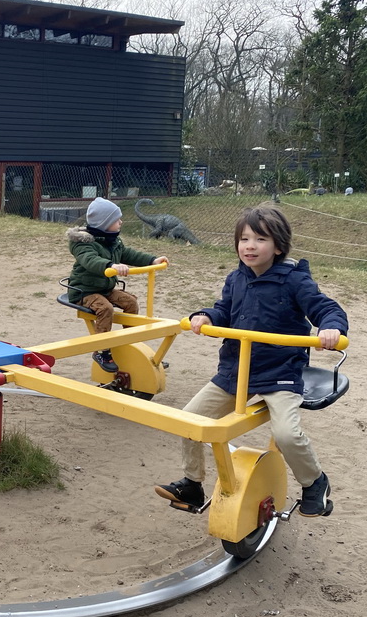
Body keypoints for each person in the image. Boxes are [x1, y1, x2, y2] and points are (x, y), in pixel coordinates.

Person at [155, 203, 348, 518]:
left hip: (279, 371)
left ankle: (315, 482)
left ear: (279, 246)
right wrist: (206, 316)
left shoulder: (294, 280)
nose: (250, 246)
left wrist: (330, 327)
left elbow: (325, 307)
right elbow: (224, 310)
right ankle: (192, 484)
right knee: (190, 420)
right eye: (244, 239)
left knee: (286, 433)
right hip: (237, 369)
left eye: (260, 239)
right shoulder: (236, 279)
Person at [67, 197, 169, 372]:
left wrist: (152, 260)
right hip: (85, 291)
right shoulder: (83, 243)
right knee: (105, 309)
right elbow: (90, 260)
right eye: (116, 219)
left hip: (104, 288)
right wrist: (110, 265)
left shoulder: (113, 240)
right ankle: (102, 350)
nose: (121, 222)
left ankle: (131, 344)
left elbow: (129, 254)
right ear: (103, 223)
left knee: (130, 302)